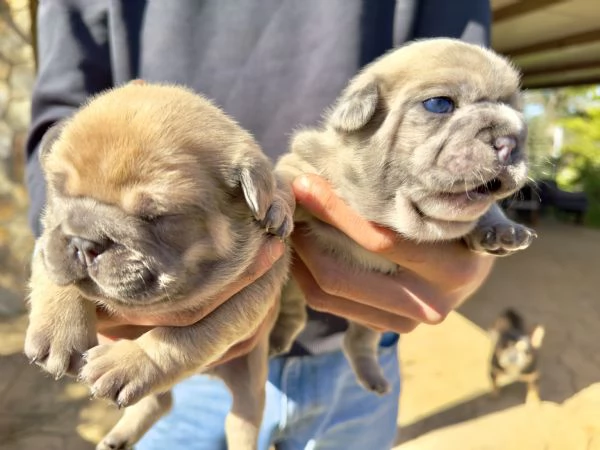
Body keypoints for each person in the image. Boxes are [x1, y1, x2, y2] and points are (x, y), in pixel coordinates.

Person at [25, 0, 495, 448]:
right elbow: (56, 132)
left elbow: (470, 120)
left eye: (153, 215)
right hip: (150, 353)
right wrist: (59, 279)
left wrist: (472, 229)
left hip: (349, 351)